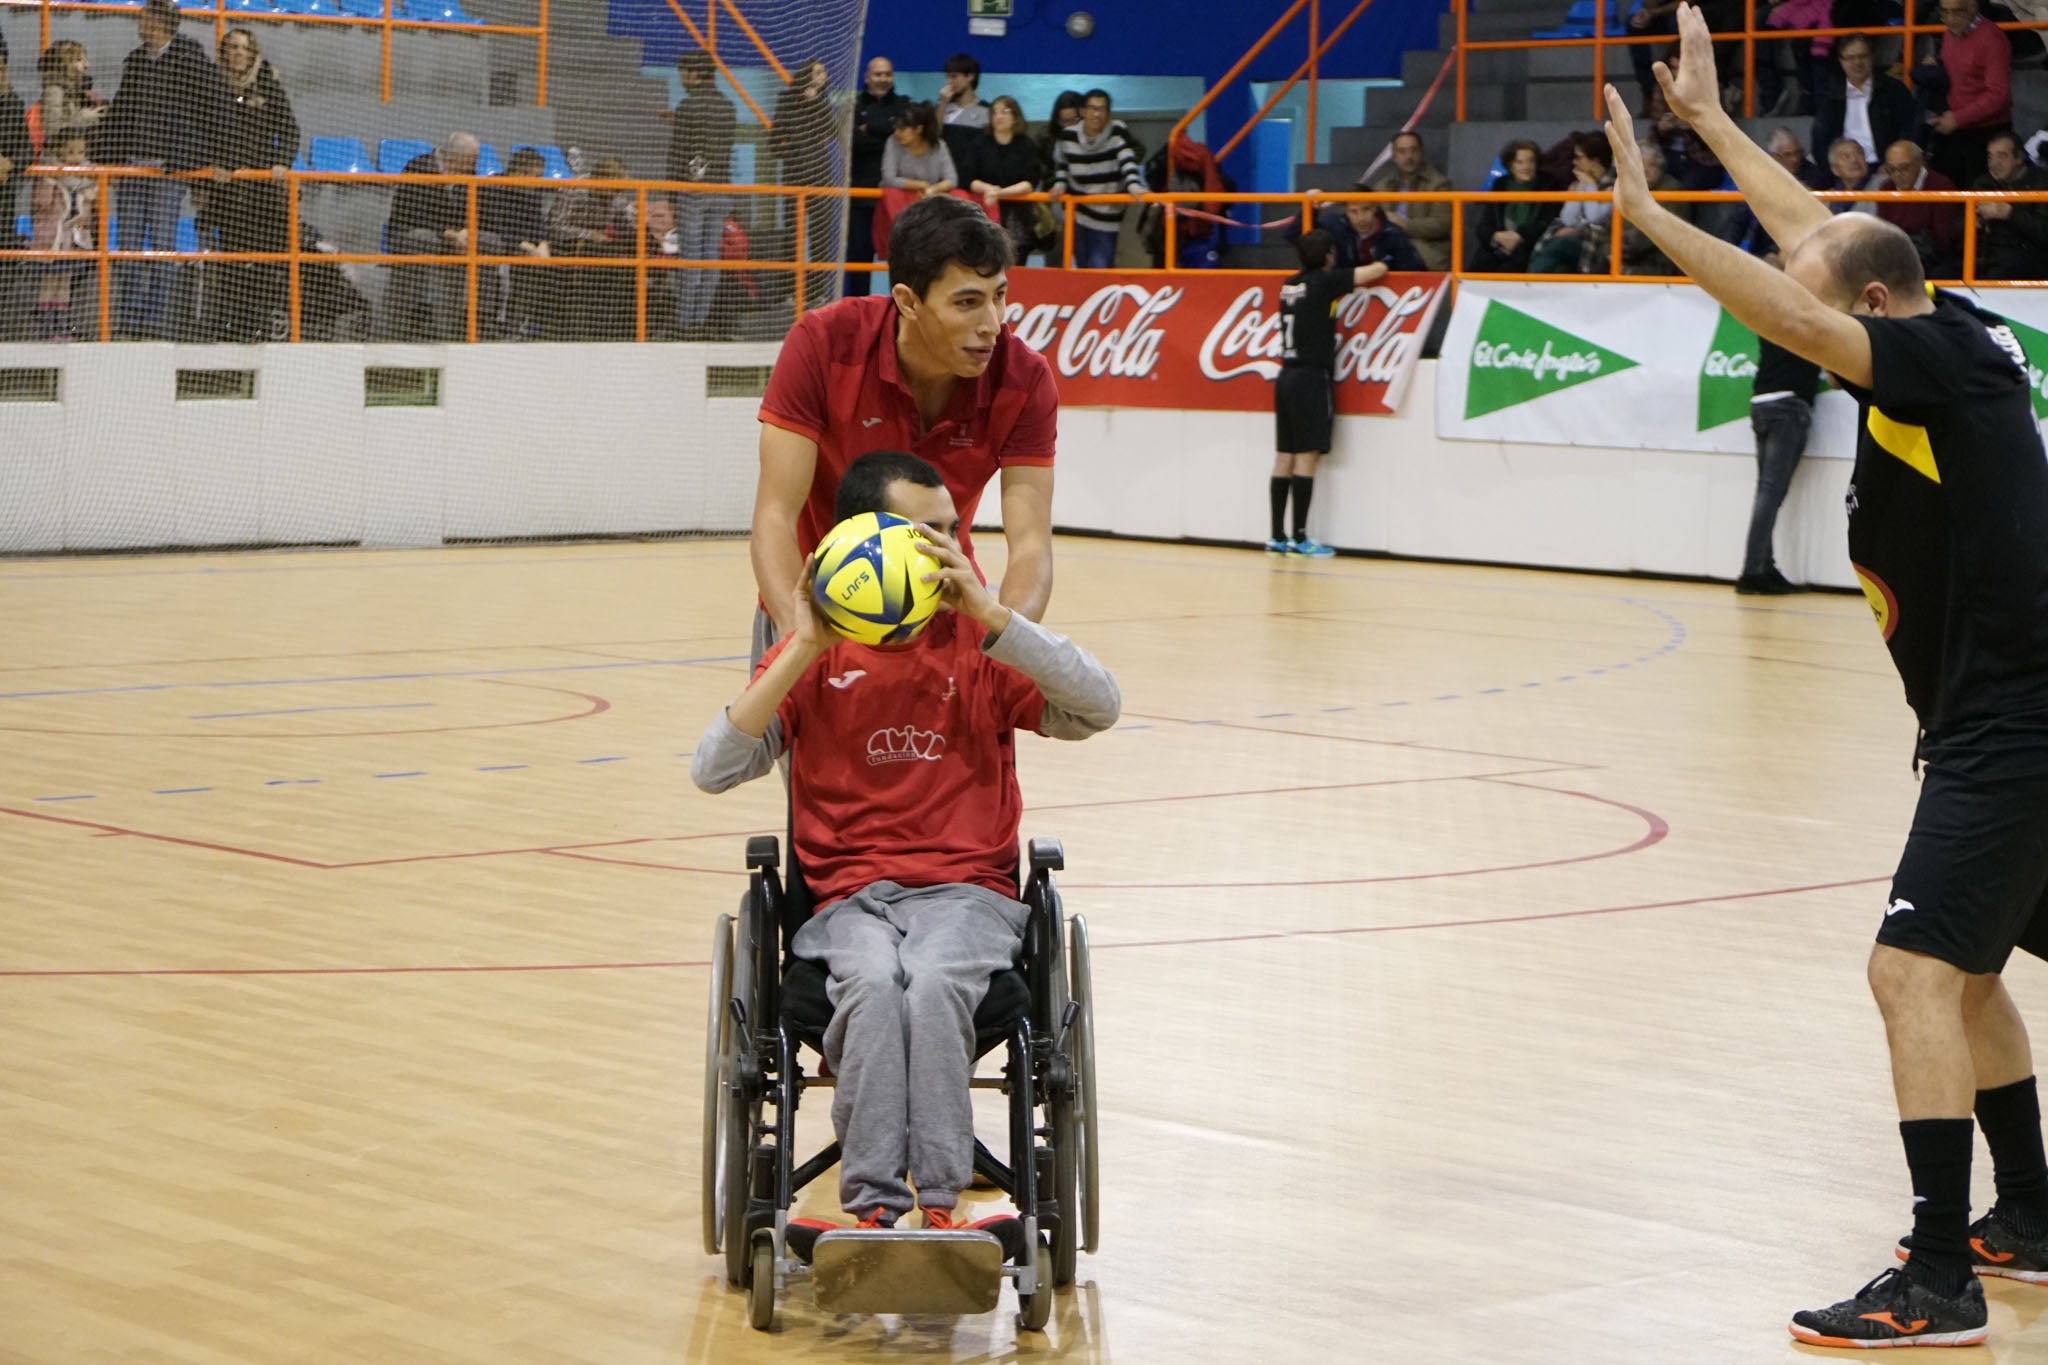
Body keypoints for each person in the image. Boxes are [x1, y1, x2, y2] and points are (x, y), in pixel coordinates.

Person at [1602, 5, 2048, 1348]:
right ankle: (2024, 1215)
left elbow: (1793, 287)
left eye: (1812, 284)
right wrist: (1710, 124)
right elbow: (1824, 242)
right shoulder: (1946, 332)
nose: (1791, 286)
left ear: (1860, 309)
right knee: (1963, 974)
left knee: (1910, 972)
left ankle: (1937, 1280)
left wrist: (1645, 209)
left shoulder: (1927, 364)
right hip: (2014, 713)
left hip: (2011, 722)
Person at [692, 448, 1119, 1248]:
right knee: (876, 984)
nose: (950, 550)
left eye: (954, 531)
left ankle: (943, 1202)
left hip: (968, 898)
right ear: (868, 540)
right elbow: (712, 768)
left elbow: (1101, 705)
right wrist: (802, 647)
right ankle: (876, 1212)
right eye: (926, 533)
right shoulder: (814, 661)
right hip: (847, 903)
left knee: (926, 984)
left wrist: (1000, 620)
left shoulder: (978, 645)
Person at [751, 196, 1058, 671]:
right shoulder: (823, 344)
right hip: (817, 607)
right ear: (907, 301)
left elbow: (1032, 546)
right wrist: (801, 644)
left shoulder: (1024, 378)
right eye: (967, 303)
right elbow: (774, 517)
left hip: (945, 607)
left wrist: (1006, 645)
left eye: (999, 295)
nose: (993, 325)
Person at [100, 0, 228, 339]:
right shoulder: (137, 60)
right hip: (133, 167)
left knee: (161, 243)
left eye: (145, 16)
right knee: (127, 244)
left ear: (157, 21)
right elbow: (121, 113)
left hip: (169, 169)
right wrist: (110, 159)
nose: (140, 22)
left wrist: (209, 162)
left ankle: (153, 318)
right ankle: (128, 316)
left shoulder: (191, 60)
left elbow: (214, 111)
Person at [1267, 229, 1397, 558]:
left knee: (1284, 456)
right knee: (1307, 456)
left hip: (1286, 375)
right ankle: (1300, 537)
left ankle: (1276, 536)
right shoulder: (1325, 282)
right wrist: (1387, 259)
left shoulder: (1288, 285)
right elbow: (1375, 272)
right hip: (1312, 376)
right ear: (1327, 257)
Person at [204, 27, 298, 343]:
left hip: (262, 187)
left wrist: (281, 161)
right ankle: (231, 323)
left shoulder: (268, 84)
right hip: (227, 187)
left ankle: (260, 321)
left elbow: (289, 129)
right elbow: (199, 129)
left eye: (243, 48)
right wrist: (210, 165)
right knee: (232, 257)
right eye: (231, 47)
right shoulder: (210, 85)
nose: (237, 53)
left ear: (253, 52)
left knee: (263, 257)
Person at [384, 131, 491, 342]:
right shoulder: (419, 167)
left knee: (489, 244)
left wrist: (466, 232)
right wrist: (449, 234)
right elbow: (413, 214)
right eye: (471, 160)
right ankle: (412, 319)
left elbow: (477, 209)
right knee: (427, 241)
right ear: (455, 158)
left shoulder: (468, 175)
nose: (474, 165)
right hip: (410, 233)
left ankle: (478, 319)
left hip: (453, 235)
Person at [1738, 332, 1821, 593]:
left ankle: (1764, 567)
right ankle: (1753, 572)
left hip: (1762, 400)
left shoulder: (1771, 313)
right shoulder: (1804, 313)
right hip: (1788, 404)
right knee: (1771, 492)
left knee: (1767, 491)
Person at [667, 49, 733, 340]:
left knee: (691, 258)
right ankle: (701, 320)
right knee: (710, 258)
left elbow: (679, 152)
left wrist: (671, 191)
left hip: (693, 191)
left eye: (684, 72)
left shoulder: (688, 106)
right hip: (721, 187)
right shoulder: (728, 106)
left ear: (694, 73)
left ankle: (684, 322)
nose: (682, 78)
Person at [1051, 90, 1147, 269]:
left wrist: (1133, 183)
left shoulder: (1117, 131)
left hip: (1107, 214)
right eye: (1092, 108)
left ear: (1108, 114)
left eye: (1102, 109)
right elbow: (1063, 164)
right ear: (1083, 111)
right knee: (1082, 267)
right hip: (1078, 213)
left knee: (1100, 267)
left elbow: (1127, 158)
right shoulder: (1068, 136)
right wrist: (1059, 184)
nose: (1096, 114)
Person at [771, 57, 839, 310]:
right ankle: (789, 291)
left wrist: (816, 103)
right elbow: (774, 143)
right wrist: (796, 153)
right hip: (794, 178)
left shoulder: (823, 103)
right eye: (817, 71)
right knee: (793, 237)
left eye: (824, 72)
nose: (822, 76)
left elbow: (832, 130)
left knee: (820, 237)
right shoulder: (787, 100)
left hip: (821, 177)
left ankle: (818, 293)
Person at [1923, 0, 2011, 191]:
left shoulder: (1992, 39)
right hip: (1955, 126)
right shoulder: (1949, 34)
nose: (1950, 19)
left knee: (1977, 195)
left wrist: (1958, 118)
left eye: (1956, 12)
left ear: (1972, 7)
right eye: (1945, 12)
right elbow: (1958, 72)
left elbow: (1998, 93)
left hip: (1985, 133)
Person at [479, 145, 553, 340]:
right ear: (519, 172)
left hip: (523, 247)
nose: (538, 183)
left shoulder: (533, 193)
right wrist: (525, 245)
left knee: (536, 265)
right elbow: (494, 226)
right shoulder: (493, 188)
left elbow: (537, 223)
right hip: (495, 244)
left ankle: (516, 324)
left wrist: (542, 243)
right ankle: (488, 323)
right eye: (535, 177)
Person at [29, 126, 96, 341]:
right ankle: (47, 326)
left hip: (75, 239)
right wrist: (49, 181)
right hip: (53, 239)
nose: (76, 158)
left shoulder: (89, 181)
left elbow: (86, 214)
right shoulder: (50, 175)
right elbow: (41, 202)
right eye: (70, 152)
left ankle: (62, 324)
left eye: (80, 152)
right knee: (50, 281)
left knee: (65, 281)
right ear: (60, 152)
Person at [1811, 31, 1918, 165]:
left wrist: (1892, 164)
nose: (1857, 62)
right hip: (1845, 170)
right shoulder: (1829, 95)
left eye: (1862, 56)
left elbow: (1909, 131)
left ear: (1872, 57)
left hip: (1887, 167)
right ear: (1841, 61)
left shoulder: (1894, 90)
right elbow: (1820, 140)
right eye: (1850, 57)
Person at [847, 55, 903, 296]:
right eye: (877, 74)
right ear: (867, 77)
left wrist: (869, 128)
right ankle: (858, 311)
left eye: (887, 74)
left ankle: (900, 310)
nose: (883, 79)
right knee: (859, 256)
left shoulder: (903, 105)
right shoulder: (853, 107)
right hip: (861, 196)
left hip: (897, 197)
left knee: (901, 257)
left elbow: (903, 141)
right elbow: (851, 142)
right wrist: (887, 134)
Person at [966, 95, 1042, 262]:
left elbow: (1030, 182)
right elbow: (970, 179)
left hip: (1017, 215)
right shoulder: (980, 143)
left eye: (1005, 111)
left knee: (1016, 264)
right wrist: (988, 189)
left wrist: (1000, 193)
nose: (999, 116)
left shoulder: (1025, 145)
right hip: (986, 210)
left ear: (1015, 117)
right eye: (995, 112)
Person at [1365, 131, 1453, 272]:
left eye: (1413, 150)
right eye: (1402, 152)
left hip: (1425, 250)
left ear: (1421, 153)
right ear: (1394, 157)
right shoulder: (1382, 186)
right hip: (1388, 245)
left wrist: (1402, 224)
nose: (1408, 157)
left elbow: (1441, 225)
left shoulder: (1439, 184)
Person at [1528, 132, 1616, 273]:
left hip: (1601, 244)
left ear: (1595, 160)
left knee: (1559, 245)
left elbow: (1594, 218)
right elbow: (1567, 219)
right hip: (1578, 240)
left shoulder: (1614, 185)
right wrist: (1580, 188)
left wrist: (1590, 185)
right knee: (1559, 269)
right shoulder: (1579, 183)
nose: (1574, 162)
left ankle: (1529, 283)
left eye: (1579, 158)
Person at [1466, 138, 1557, 272]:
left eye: (1531, 161)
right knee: (1476, 268)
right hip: (1498, 247)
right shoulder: (1500, 185)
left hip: (1530, 248)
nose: (1526, 167)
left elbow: (1547, 222)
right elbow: (1484, 225)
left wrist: (1520, 237)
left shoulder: (1548, 185)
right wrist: (1496, 236)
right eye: (1519, 162)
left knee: (1511, 268)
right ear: (1510, 165)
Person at [1874, 139, 1960, 278]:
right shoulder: (1886, 188)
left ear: (1920, 162)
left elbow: (1943, 239)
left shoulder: (1941, 186)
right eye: (1891, 169)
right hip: (1895, 255)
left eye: (1904, 168)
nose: (1897, 174)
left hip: (1932, 257)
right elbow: (1883, 231)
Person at [1971, 131, 2048, 281]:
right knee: (1941, 274)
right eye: (1990, 156)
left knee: (1998, 273)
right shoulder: (1982, 183)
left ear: (2019, 158)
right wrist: (1976, 223)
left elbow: (2044, 232)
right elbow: (1955, 229)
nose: (1993, 164)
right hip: (1985, 254)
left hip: (2026, 258)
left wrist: (2010, 214)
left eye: (2002, 156)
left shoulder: (2042, 183)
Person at [35, 40, 103, 154]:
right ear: (63, 64)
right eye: (79, 60)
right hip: (59, 156)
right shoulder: (54, 91)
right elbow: (52, 128)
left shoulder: (74, 89)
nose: (86, 65)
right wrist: (83, 116)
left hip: (72, 153)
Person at [880, 101, 956, 198]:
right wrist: (921, 185)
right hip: (895, 199)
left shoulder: (939, 146)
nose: (896, 133)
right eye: (896, 128)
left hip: (927, 199)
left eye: (902, 129)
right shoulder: (892, 142)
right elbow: (888, 179)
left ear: (919, 129)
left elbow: (952, 179)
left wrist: (931, 190)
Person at [936, 52, 988, 169]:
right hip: (945, 175)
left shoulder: (986, 111)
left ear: (970, 76)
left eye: (954, 76)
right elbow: (933, 137)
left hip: (974, 175)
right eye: (948, 77)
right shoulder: (942, 108)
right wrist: (943, 103)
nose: (949, 82)